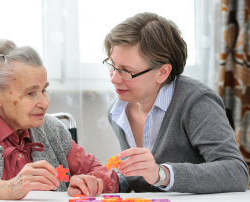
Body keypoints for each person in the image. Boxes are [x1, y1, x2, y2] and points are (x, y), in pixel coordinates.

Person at [0, 39, 118, 200]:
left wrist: (91, 183)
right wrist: (4, 189)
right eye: (30, 93)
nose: (45, 103)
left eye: (44, 90)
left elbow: (104, 174)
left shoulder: (52, 130)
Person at [103, 12, 249, 193]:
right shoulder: (117, 110)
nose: (114, 79)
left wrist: (162, 174)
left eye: (126, 71)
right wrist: (107, 181)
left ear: (163, 72)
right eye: (113, 66)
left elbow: (236, 173)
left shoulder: (196, 102)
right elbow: (142, 179)